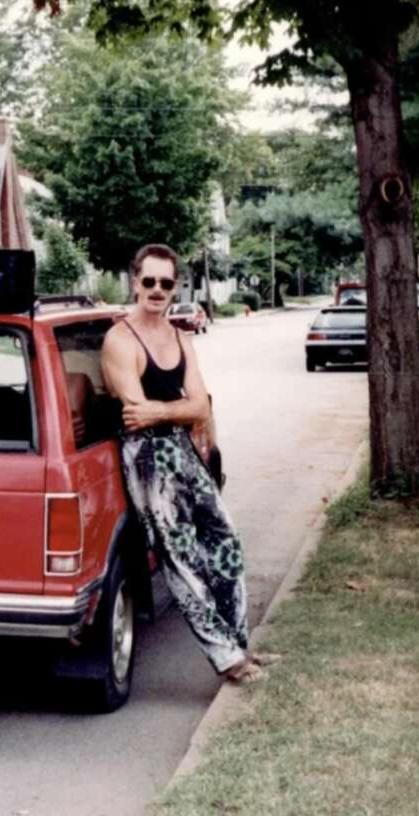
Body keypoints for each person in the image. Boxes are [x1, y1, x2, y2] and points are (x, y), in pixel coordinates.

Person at [101, 243, 268, 683]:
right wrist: (185, 409)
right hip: (148, 457)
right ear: (135, 281)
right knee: (180, 558)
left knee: (225, 539)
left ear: (176, 287)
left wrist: (175, 410)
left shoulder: (179, 338)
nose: (157, 290)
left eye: (166, 283)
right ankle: (227, 659)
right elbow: (138, 415)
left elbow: (199, 405)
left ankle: (238, 643)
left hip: (181, 447)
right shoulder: (120, 340)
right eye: (149, 281)